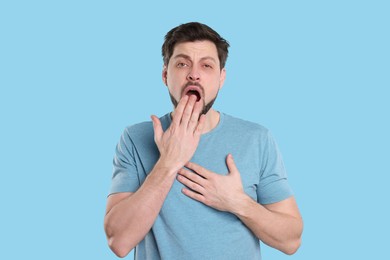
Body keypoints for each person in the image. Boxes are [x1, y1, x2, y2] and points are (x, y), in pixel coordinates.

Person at [104, 22, 303, 259]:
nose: (194, 74)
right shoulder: (135, 139)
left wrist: (238, 203)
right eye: (182, 63)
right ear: (166, 75)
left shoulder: (257, 138)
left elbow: (291, 240)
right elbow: (119, 241)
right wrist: (168, 163)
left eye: (206, 65)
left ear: (221, 78)